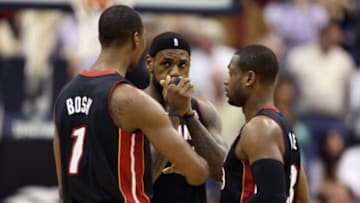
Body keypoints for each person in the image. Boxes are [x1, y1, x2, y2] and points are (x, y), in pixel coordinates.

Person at [53, 6, 209, 203]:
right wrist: (176, 113)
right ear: (137, 39)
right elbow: (198, 173)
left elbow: (62, 187)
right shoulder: (129, 98)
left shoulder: (65, 95)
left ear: (101, 39)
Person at [220, 44, 310, 203]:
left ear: (249, 78)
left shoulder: (259, 128)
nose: (226, 81)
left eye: (231, 73)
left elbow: (271, 197)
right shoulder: (283, 128)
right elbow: (302, 198)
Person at [144, 32, 227, 203]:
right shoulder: (135, 106)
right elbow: (144, 179)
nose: (175, 72)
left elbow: (222, 173)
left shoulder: (203, 111)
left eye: (182, 65)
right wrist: (174, 113)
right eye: (166, 63)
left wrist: (188, 114)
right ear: (149, 64)